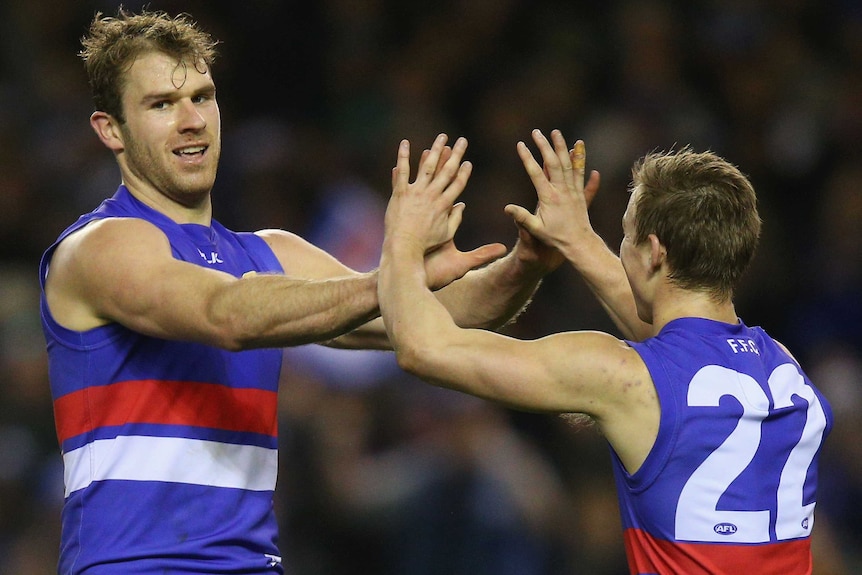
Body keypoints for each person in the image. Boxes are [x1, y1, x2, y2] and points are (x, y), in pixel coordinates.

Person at [38, 9, 560, 575]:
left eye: (203, 97)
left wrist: (526, 264)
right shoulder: (97, 249)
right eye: (161, 104)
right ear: (109, 129)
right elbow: (226, 314)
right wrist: (396, 272)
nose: (192, 120)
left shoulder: (270, 252)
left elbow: (432, 319)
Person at [378, 128, 833, 575]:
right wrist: (577, 240)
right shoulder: (784, 366)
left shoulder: (621, 376)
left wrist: (403, 239)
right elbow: (684, 338)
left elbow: (424, 348)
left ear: (653, 252)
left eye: (625, 235)